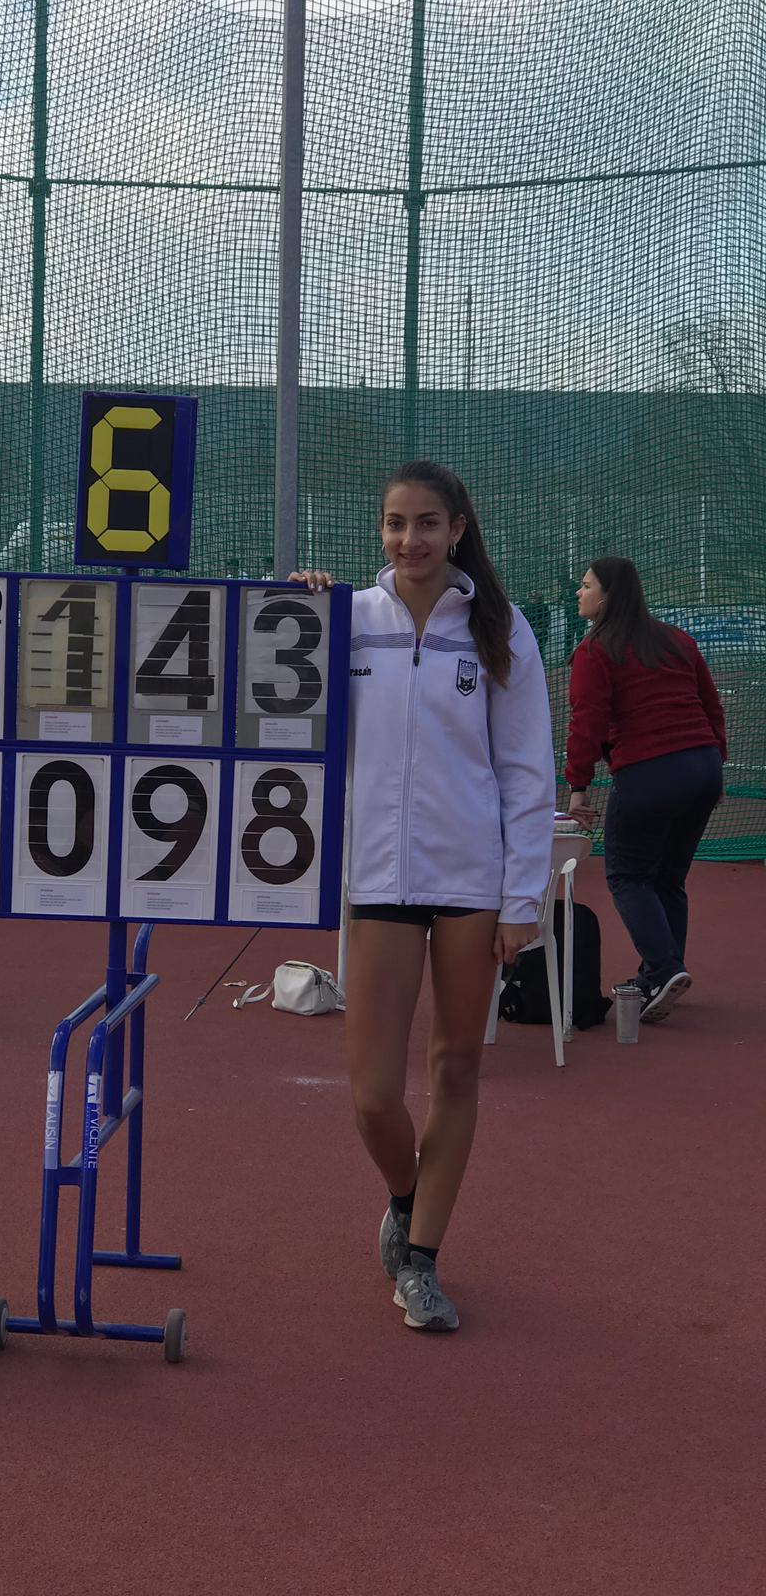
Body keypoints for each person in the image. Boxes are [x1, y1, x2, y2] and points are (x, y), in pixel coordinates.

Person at [292, 461, 555, 1334]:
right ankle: (406, 1200)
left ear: (458, 528)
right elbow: (276, 692)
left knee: (455, 1069)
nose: (412, 540)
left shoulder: (502, 630)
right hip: (377, 879)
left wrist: (524, 900)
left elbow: (525, 776)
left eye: (429, 523)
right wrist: (293, 608)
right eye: (396, 524)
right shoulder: (348, 621)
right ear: (380, 531)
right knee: (372, 1095)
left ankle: (425, 1263)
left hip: (471, 884)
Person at [565, 557, 726, 1023]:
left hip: (650, 772)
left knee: (626, 874)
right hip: (701, 765)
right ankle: (662, 972)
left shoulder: (596, 651)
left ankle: (662, 968)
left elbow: (586, 722)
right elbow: (711, 707)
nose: (580, 592)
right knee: (668, 878)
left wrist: (578, 786)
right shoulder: (677, 640)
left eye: (586, 584)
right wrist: (712, 764)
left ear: (608, 596)